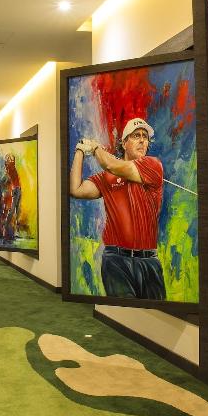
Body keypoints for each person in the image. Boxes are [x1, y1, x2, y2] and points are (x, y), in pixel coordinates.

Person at [70, 118, 166, 300]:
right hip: (116, 260)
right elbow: (76, 189)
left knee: (156, 312)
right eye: (136, 136)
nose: (142, 140)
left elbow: (111, 165)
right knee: (125, 311)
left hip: (149, 261)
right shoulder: (106, 177)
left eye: (145, 137)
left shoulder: (153, 165)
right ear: (124, 143)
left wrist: (95, 147)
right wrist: (80, 151)